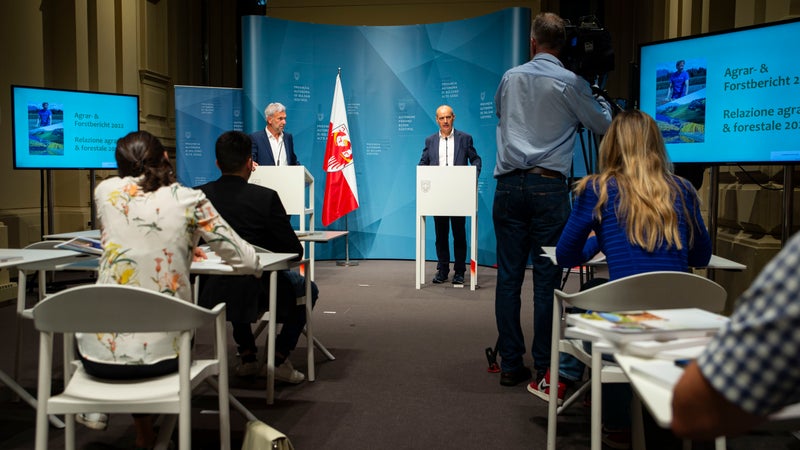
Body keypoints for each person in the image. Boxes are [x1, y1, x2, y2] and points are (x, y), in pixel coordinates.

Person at [530, 110, 712, 447]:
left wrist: (601, 236)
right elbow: (700, 257)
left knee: (596, 305)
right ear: (656, 144)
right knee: (601, 296)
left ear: (612, 146)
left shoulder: (597, 190)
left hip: (627, 334)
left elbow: (566, 255)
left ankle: (613, 420)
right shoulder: (684, 190)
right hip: (678, 331)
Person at [77, 130, 260, 449]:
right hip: (164, 357)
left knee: (128, 310)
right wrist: (186, 242)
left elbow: (132, 239)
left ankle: (130, 426)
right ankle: (151, 432)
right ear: (165, 157)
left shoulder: (104, 191)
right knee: (160, 323)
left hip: (95, 358)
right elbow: (245, 260)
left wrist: (180, 243)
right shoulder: (189, 199)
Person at [492, 11, 613, 388]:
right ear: (563, 46)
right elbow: (604, 125)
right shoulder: (572, 83)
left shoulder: (510, 77)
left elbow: (500, 113)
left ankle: (511, 364)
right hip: (548, 187)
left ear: (532, 43)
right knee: (546, 279)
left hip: (508, 186)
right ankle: (545, 365)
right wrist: (596, 94)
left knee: (508, 279)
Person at [198, 130, 318, 383]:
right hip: (262, 290)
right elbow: (295, 251)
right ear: (249, 163)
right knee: (309, 289)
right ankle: (279, 358)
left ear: (217, 163)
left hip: (208, 291)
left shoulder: (198, 197)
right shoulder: (266, 198)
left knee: (235, 275)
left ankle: (248, 355)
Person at [672, 230, 800, 439]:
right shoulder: (685, 206)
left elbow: (692, 412)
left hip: (695, 396)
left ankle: (621, 425)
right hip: (684, 323)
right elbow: (701, 257)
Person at [418, 104, 482, 285]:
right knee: (441, 235)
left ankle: (460, 271)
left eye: (448, 117)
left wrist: (471, 177)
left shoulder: (465, 139)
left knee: (459, 234)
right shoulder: (430, 141)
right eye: (441, 118)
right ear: (437, 120)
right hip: (438, 196)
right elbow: (422, 164)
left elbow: (476, 159)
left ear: (453, 117)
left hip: (459, 195)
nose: (445, 121)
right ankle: (443, 270)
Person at [250, 102, 300, 166]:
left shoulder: (288, 137)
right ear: (269, 120)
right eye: (280, 119)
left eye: (285, 118)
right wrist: (251, 163)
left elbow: (293, 162)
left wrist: (301, 169)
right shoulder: (256, 138)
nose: (284, 122)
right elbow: (251, 161)